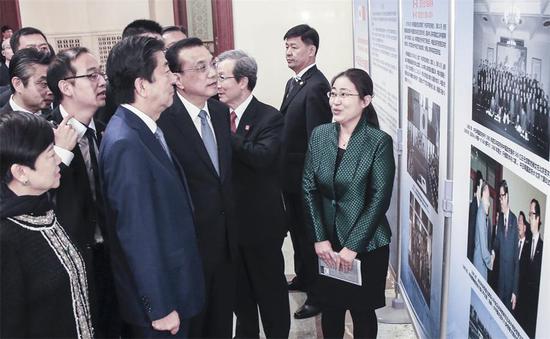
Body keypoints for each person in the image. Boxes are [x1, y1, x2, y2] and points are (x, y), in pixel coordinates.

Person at [100, 35, 204, 338]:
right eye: (165, 72)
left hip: (175, 290)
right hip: (159, 308)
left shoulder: (145, 129)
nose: (174, 78)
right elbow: (137, 234)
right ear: (141, 85)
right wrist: (158, 306)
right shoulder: (126, 143)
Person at [303, 68, 395, 338]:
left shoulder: (378, 142)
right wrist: (320, 239)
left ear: (365, 101)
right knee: (331, 309)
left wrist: (352, 247)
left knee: (362, 311)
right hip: (327, 244)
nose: (336, 101)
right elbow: (308, 188)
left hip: (367, 245)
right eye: (333, 94)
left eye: (345, 94)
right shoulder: (321, 135)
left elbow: (380, 198)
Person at [158, 37, 237, 339]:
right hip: (189, 251)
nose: (212, 73)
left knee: (221, 326)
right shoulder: (164, 121)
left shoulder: (218, 113)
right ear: (176, 78)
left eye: (213, 64)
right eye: (201, 67)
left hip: (226, 245)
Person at [46, 47, 120, 338]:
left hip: (110, 255)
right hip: (70, 262)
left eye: (101, 74)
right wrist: (61, 154)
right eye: (92, 75)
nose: (102, 81)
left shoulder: (105, 131)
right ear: (66, 87)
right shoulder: (41, 134)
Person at [216, 49, 290, 338]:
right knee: (240, 298)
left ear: (243, 81)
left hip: (262, 226)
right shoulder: (214, 113)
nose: (217, 83)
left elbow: (262, 157)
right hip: (228, 227)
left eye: (223, 77)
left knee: (270, 295)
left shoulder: (269, 117)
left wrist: (225, 134)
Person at [0, 110, 93, 338]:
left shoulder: (45, 211)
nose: (60, 159)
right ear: (21, 172)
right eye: (51, 154)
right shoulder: (7, 238)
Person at [280, 23, 332, 319]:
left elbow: (318, 140)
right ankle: (302, 277)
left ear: (311, 50)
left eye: (294, 47)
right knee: (297, 233)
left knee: (311, 236)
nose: (288, 52)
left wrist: (313, 183)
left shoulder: (317, 87)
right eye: (286, 47)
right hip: (289, 176)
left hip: (304, 179)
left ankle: (318, 295)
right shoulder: (295, 82)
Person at [516, 199, 543, 338]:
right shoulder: (526, 244)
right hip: (521, 307)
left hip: (533, 312)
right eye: (529, 214)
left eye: (531, 215)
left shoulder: (543, 249)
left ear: (538, 218)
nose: (529, 218)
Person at [492, 179, 519, 311]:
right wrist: (492, 251)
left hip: (509, 283)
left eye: (502, 197)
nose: (500, 201)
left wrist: (515, 291)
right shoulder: (501, 219)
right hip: (500, 281)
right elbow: (497, 242)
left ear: (507, 196)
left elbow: (516, 259)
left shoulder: (514, 221)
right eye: (499, 198)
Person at [473, 182, 494, 279]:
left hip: (481, 262)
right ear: (484, 192)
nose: (489, 196)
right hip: (480, 263)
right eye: (488, 192)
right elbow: (482, 242)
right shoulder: (481, 213)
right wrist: (490, 260)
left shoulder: (483, 213)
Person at [468, 170, 483, 261]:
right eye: (481, 185)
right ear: (477, 187)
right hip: (471, 248)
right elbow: (471, 230)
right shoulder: (473, 205)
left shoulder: (479, 205)